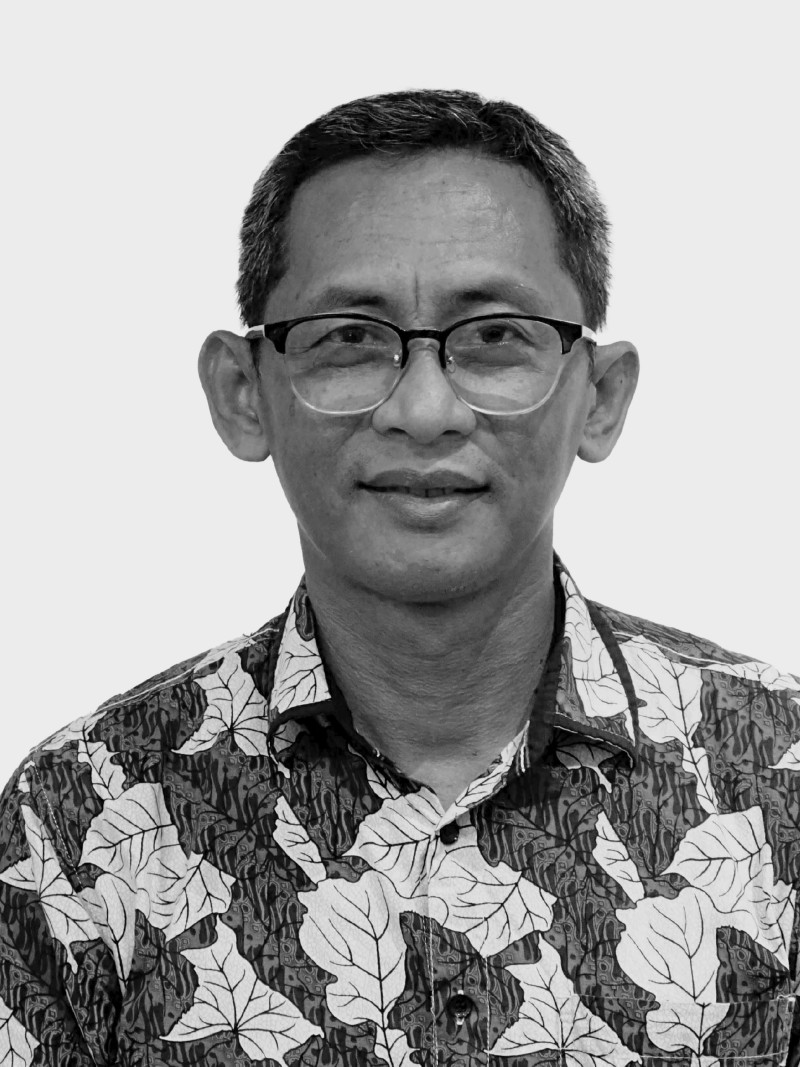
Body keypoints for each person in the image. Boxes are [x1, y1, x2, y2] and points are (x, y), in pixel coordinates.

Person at [0, 88, 798, 1067]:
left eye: (494, 336)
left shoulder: (777, 777)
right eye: (348, 337)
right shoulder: (79, 819)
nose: (423, 411)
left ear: (599, 396)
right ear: (243, 393)